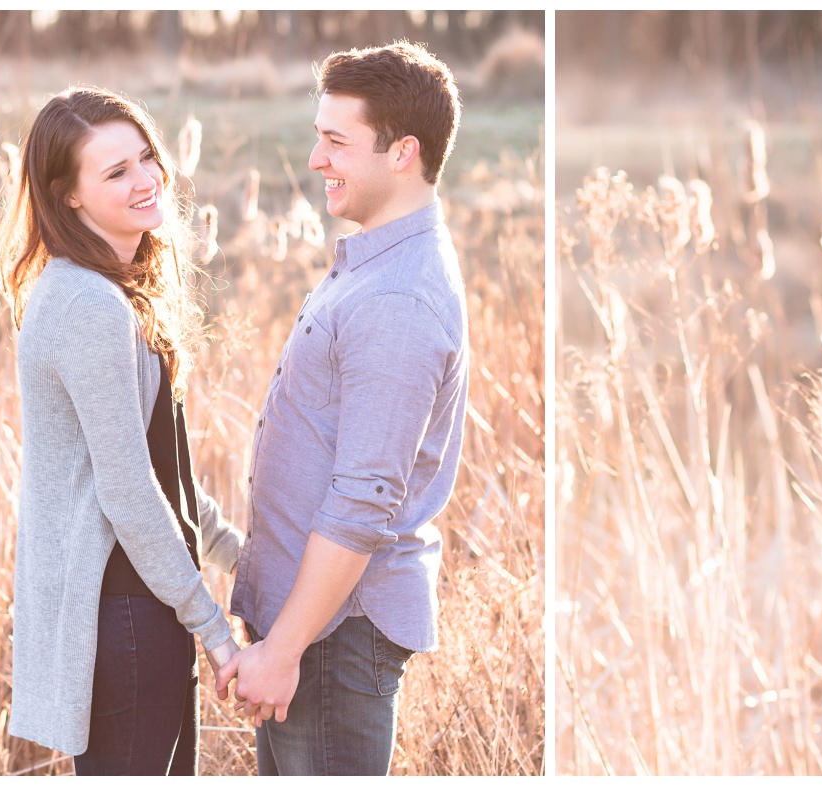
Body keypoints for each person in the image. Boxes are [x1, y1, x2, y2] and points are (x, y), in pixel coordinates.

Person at [214, 40, 470, 776]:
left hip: (333, 638)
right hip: (317, 628)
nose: (315, 160)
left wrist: (286, 647)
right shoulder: (377, 261)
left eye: (335, 141)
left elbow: (363, 499)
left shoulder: (398, 299)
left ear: (403, 153)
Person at [0, 87, 242, 775]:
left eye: (145, 157)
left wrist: (238, 557)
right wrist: (216, 633)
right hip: (125, 619)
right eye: (115, 172)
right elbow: (131, 492)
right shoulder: (87, 304)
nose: (145, 180)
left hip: (144, 612)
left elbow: (168, 474)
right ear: (67, 196)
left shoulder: (110, 293)